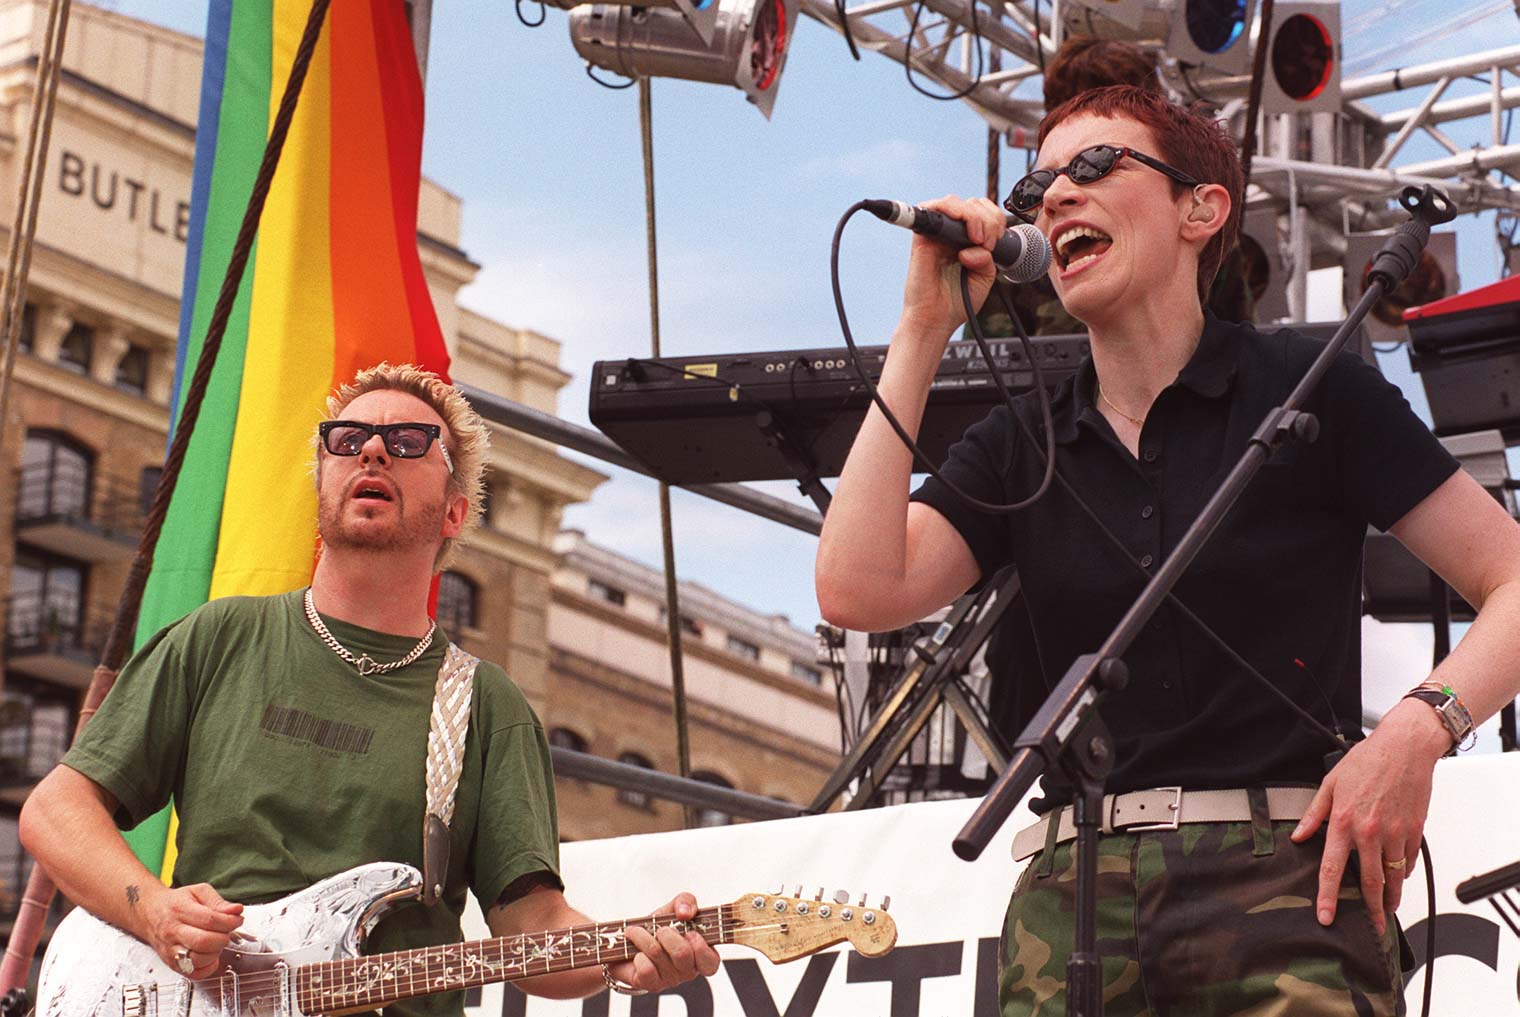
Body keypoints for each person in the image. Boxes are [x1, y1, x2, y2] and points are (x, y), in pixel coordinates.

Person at [815, 84, 1520, 1015]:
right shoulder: (1024, 438)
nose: (1058, 195)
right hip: (1071, 895)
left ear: (1203, 208)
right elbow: (858, 586)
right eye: (1039, 186)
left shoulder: (1316, 390)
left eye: (1097, 165)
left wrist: (1418, 729)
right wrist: (921, 328)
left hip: (1285, 878)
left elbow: (1511, 576)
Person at [20, 363, 720, 1014]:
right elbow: (57, 808)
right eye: (347, 438)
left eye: (409, 441)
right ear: (322, 482)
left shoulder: (485, 706)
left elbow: (531, 926)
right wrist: (153, 908)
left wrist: (624, 952)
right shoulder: (220, 636)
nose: (373, 451)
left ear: (453, 512)